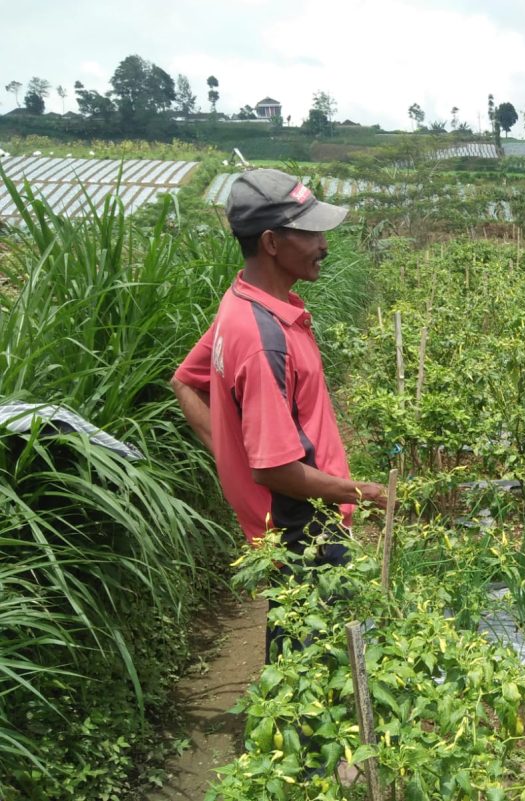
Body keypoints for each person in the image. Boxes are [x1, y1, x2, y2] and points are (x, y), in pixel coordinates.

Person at [171, 168, 386, 659]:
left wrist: (232, 452)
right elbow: (275, 468)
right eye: (309, 233)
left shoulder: (246, 304)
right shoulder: (262, 339)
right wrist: (366, 493)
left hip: (295, 522)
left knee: (301, 653)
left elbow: (185, 381)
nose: (323, 245)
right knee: (313, 666)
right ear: (271, 242)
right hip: (303, 530)